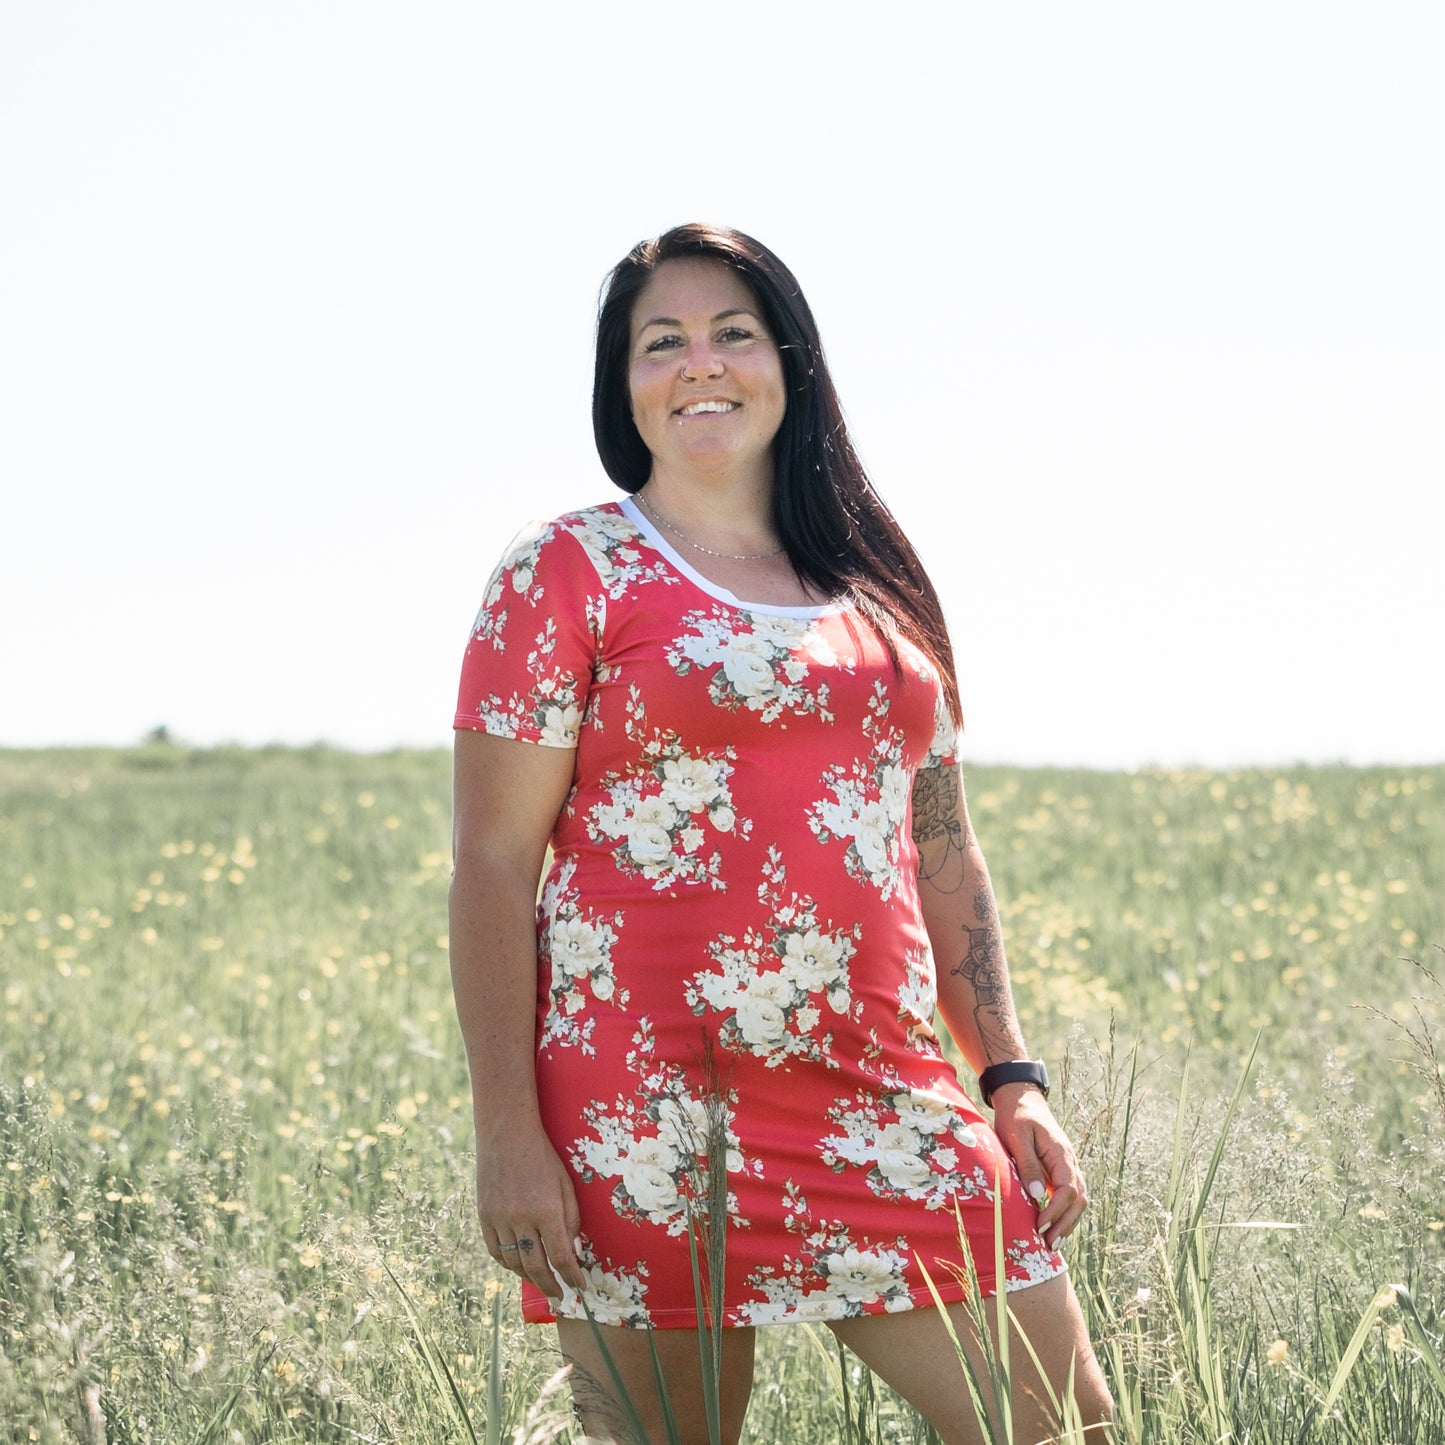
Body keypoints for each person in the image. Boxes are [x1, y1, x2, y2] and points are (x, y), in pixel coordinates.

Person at [449, 223, 1113, 1444]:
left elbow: (940, 846)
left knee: (1062, 1425)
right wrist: (507, 1132)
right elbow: (494, 862)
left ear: (788, 364)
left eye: (731, 333)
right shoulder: (565, 569)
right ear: (626, 385)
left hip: (883, 1095)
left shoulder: (878, 586)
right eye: (662, 342)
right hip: (643, 1110)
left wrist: (1008, 1074)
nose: (698, 363)